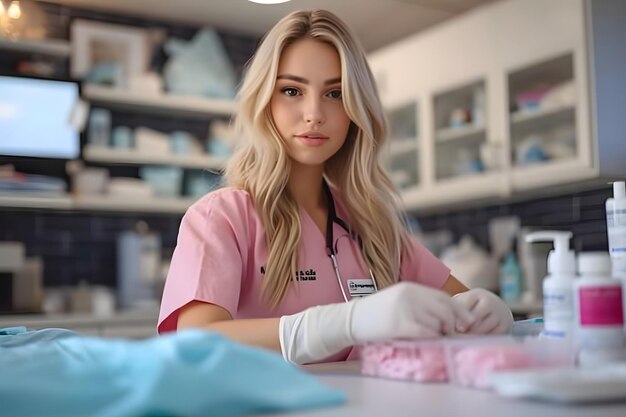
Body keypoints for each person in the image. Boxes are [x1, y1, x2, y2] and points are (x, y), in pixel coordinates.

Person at [158, 9, 513, 365]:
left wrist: (485, 312)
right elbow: (198, 343)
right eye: (292, 90)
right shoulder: (221, 218)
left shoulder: (372, 224)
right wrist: (345, 322)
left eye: (335, 93)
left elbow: (459, 305)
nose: (314, 113)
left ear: (356, 109)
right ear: (264, 102)